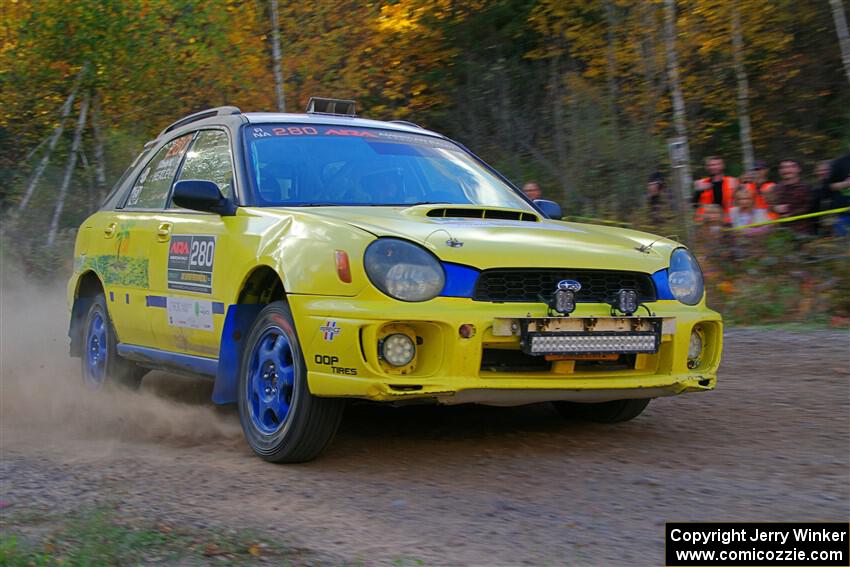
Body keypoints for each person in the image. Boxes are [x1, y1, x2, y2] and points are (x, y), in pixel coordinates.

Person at [773, 159, 815, 235]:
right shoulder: (776, 188)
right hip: (783, 231)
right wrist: (775, 208)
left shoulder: (806, 187)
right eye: (783, 167)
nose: (786, 170)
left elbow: (810, 207)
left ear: (798, 169)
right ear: (779, 171)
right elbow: (770, 205)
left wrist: (791, 213)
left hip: (803, 231)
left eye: (790, 167)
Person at [694, 156, 739, 223]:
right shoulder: (700, 183)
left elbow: (741, 201)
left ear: (722, 166)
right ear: (706, 167)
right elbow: (694, 205)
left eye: (715, 164)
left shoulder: (733, 181)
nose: (712, 167)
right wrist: (698, 191)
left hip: (728, 222)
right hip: (706, 223)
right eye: (709, 165)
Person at [826, 150, 850, 236]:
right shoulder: (840, 162)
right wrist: (845, 184)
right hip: (844, 214)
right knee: (844, 244)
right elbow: (828, 186)